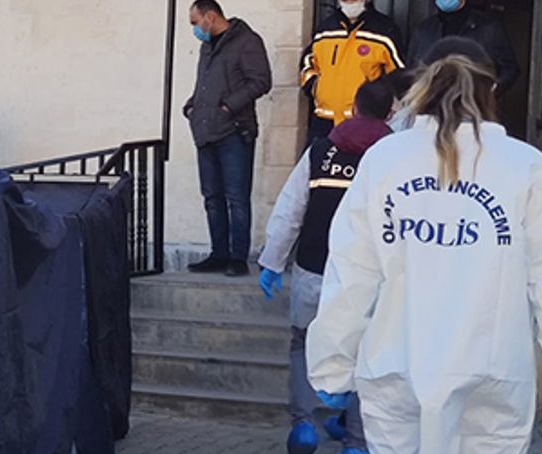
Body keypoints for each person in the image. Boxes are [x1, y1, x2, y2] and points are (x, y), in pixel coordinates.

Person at [307, 50, 542, 454]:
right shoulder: (525, 166)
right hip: (495, 370)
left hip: (401, 370)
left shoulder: (385, 161)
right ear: (491, 95)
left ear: (417, 90)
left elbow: (350, 272)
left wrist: (329, 366)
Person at [257, 78, 394, 454]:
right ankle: (355, 445)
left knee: (302, 344)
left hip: (313, 270)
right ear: (391, 113)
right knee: (365, 355)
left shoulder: (320, 151)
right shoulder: (394, 158)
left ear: (353, 107)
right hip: (370, 278)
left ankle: (303, 423)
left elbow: (290, 209)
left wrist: (271, 260)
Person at [183, 0, 273, 277]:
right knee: (212, 197)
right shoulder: (207, 46)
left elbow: (261, 81)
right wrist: (192, 105)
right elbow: (207, 85)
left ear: (210, 17)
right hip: (206, 130)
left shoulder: (247, 41)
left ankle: (237, 257)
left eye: (195, 23)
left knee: (236, 197)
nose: (195, 30)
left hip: (234, 130)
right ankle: (218, 253)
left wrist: (228, 106)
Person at [299, 0, 404, 141]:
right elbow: (308, 64)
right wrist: (317, 87)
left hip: (364, 122)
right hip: (324, 121)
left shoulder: (385, 30)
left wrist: (376, 100)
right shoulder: (325, 29)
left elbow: (398, 74)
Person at [409, 0, 518, 94]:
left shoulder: (488, 28)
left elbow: (509, 69)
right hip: (430, 109)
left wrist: (488, 94)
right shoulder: (424, 30)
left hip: (472, 110)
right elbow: (411, 70)